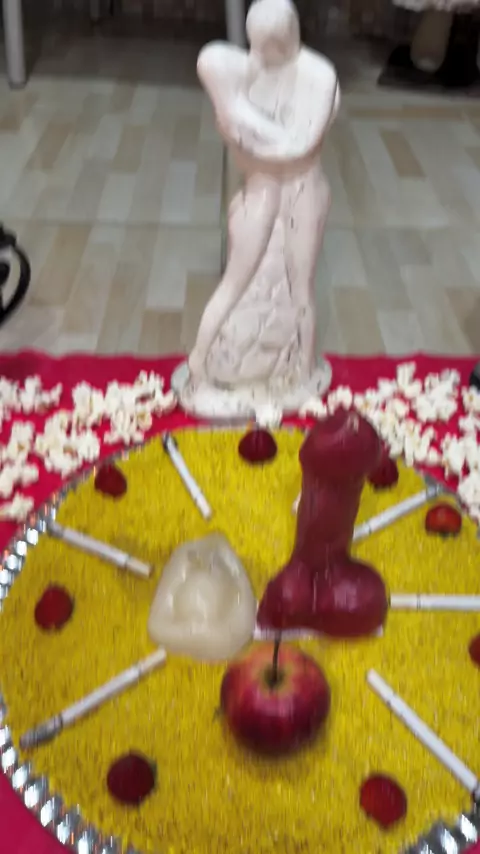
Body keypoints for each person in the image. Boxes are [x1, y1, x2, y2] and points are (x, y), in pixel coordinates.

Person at [187, 0, 339, 390]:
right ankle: (200, 362)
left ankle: (301, 372)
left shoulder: (317, 75)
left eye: (269, 47)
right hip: (261, 190)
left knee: (300, 289)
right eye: (257, 46)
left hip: (302, 188)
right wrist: (242, 124)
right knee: (236, 282)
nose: (260, 56)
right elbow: (213, 69)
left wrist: (253, 135)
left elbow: (303, 144)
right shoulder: (242, 69)